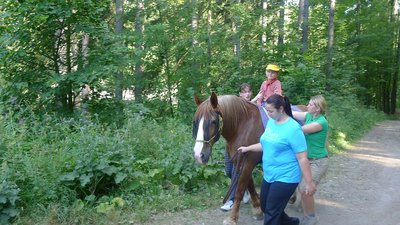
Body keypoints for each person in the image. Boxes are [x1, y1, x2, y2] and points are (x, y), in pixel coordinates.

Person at [238, 94, 316, 225]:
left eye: (270, 111)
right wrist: (248, 148)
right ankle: (291, 222)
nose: (268, 113)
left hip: (286, 177)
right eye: (266, 110)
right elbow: (266, 143)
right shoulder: (272, 123)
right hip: (270, 174)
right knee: (265, 206)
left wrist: (309, 182)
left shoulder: (293, 128)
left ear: (281, 109)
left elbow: (302, 158)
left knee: (271, 212)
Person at [293, 95, 329, 225]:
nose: (307, 106)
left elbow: (299, 130)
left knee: (305, 189)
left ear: (317, 108)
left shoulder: (321, 122)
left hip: (318, 161)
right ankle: (305, 207)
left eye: (310, 104)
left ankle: (311, 217)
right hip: (306, 160)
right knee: (300, 186)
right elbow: (292, 113)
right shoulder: (308, 115)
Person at [220, 83, 252, 211]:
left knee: (235, 171)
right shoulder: (235, 106)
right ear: (240, 94)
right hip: (231, 143)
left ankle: (232, 200)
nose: (247, 94)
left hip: (244, 145)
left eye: (249, 91)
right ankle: (245, 191)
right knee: (228, 171)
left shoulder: (254, 107)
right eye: (244, 92)